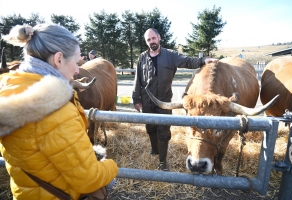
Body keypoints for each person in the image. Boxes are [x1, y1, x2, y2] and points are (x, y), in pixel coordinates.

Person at [0, 24, 118, 199]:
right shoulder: (57, 109)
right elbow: (89, 179)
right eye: (76, 62)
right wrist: (112, 167)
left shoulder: (8, 91)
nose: (78, 70)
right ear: (59, 59)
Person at [132, 28, 219, 171]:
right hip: (147, 100)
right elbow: (138, 80)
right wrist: (136, 99)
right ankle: (155, 149)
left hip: (164, 102)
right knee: (150, 127)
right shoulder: (142, 57)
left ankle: (162, 162)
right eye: (148, 40)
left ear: (159, 37)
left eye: (153, 38)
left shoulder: (170, 55)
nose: (151, 42)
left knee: (164, 131)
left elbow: (187, 61)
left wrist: (203, 60)